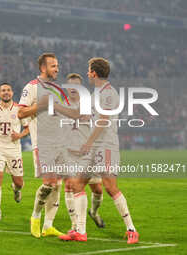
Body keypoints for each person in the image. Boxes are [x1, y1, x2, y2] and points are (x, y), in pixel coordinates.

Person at [58, 58, 139, 243]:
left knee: (110, 187)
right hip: (94, 147)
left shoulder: (109, 93)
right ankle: (80, 231)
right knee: (78, 184)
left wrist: (88, 142)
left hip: (106, 146)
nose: (87, 73)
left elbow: (103, 120)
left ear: (94, 73)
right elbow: (81, 114)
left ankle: (132, 229)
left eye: (88, 70)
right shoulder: (95, 94)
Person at [18, 53, 64, 238]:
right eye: (53, 66)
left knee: (58, 184)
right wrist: (40, 106)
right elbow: (21, 113)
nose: (57, 69)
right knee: (49, 184)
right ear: (43, 68)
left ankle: (48, 226)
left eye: (57, 65)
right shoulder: (31, 87)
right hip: (43, 144)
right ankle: (35, 217)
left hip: (59, 142)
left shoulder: (57, 89)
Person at [54, 73, 105, 232]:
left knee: (97, 189)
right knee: (70, 185)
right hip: (68, 151)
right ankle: (75, 225)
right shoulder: (60, 105)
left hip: (87, 151)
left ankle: (94, 212)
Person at [0, 83, 29, 220]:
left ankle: (16, 189)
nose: (6, 92)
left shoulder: (20, 110)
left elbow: (27, 129)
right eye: (3, 90)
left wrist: (19, 135)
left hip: (14, 149)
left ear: (12, 93)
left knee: (19, 182)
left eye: (8, 90)